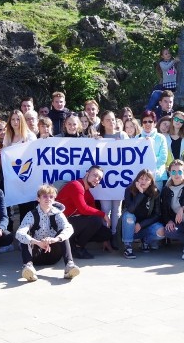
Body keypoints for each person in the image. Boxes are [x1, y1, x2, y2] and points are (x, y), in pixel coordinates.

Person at [15, 185, 80, 281]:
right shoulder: (31, 215)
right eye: (45, 196)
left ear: (54, 199)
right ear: (38, 199)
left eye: (51, 197)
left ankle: (69, 266)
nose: (48, 199)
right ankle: (28, 266)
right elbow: (19, 233)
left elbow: (69, 229)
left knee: (64, 231)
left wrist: (55, 239)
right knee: (25, 233)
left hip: (53, 253)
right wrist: (37, 242)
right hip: (35, 254)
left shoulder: (58, 214)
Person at [56, 166, 113, 258]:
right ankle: (78, 248)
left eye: (99, 178)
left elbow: (92, 209)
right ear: (87, 174)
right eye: (95, 175)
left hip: (75, 223)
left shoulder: (88, 193)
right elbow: (83, 209)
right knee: (96, 220)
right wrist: (103, 215)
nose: (97, 179)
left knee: (106, 233)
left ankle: (73, 241)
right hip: (61, 224)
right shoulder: (76, 185)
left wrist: (106, 239)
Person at [98, 110, 129, 247]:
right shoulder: (99, 137)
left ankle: (115, 236)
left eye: (113, 119)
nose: (112, 122)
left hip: (119, 178)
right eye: (108, 120)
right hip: (104, 180)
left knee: (117, 210)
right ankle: (105, 237)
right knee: (105, 210)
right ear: (103, 122)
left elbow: (133, 150)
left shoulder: (122, 135)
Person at [120, 169, 165, 259]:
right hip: (130, 228)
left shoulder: (155, 192)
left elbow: (157, 215)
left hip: (144, 225)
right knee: (129, 216)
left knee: (161, 231)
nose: (143, 181)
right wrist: (140, 193)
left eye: (147, 179)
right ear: (137, 179)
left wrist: (141, 224)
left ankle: (145, 241)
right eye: (141, 178)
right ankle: (128, 247)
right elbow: (130, 210)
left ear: (151, 182)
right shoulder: (129, 190)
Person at [138, 111, 169, 188]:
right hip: (141, 178)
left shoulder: (161, 138)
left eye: (150, 121)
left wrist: (148, 165)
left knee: (156, 200)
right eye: (145, 122)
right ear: (142, 124)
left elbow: (163, 158)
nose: (147, 124)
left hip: (157, 177)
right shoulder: (136, 138)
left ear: (155, 123)